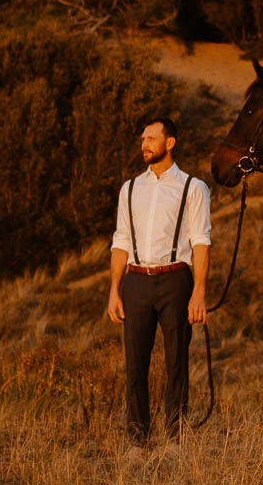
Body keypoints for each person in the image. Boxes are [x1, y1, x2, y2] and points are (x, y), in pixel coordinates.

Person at [107, 117, 211, 444]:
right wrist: (114, 290)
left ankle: (174, 436)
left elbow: (200, 241)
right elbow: (121, 240)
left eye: (151, 138)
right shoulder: (130, 188)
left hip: (176, 279)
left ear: (170, 143)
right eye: (142, 140)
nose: (144, 145)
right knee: (135, 363)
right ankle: (138, 436)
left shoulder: (194, 187)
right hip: (135, 282)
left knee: (176, 360)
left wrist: (199, 292)